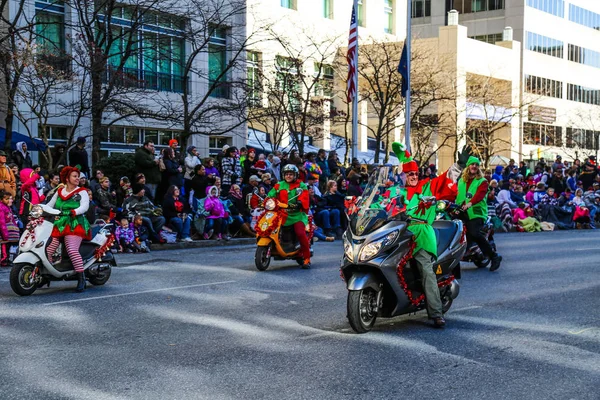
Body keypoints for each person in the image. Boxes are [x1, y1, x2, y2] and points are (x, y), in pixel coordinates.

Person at [44, 166, 91, 292]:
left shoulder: (82, 191)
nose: (78, 179)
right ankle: (47, 273)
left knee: (71, 249)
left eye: (78, 176)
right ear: (67, 178)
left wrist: (74, 211)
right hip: (60, 223)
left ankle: (81, 277)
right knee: (48, 249)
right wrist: (39, 209)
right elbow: (49, 205)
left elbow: (85, 206)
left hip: (75, 223)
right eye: (75, 176)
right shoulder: (60, 191)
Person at [457, 156, 503, 272]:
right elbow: (454, 193)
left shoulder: (482, 181)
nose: (474, 166)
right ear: (468, 166)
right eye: (472, 164)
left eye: (476, 165)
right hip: (460, 211)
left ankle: (494, 256)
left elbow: (480, 195)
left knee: (474, 233)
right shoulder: (461, 181)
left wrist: (470, 203)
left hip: (476, 213)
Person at [267, 164, 311, 268]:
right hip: (281, 213)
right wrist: (265, 201)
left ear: (295, 175)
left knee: (300, 233)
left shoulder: (301, 185)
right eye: (287, 174)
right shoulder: (279, 185)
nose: (288, 176)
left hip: (297, 215)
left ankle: (306, 258)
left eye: (291, 174)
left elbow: (304, 197)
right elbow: (270, 195)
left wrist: (299, 203)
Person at [0, 191, 20, 266]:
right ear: (1, 199)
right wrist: (5, 234)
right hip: (3, 232)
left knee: (7, 245)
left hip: (7, 232)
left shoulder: (8, 208)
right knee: (4, 245)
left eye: (11, 199)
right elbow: (1, 222)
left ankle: (7, 259)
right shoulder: (1, 207)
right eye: (7, 199)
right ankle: (3, 259)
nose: (10, 200)